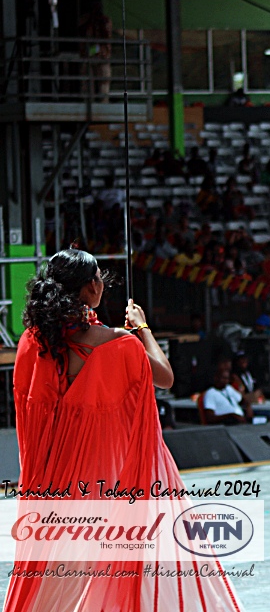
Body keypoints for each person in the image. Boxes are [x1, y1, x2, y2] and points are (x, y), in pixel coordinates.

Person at [5, 249, 243, 611]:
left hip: (53, 482)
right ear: (89, 288)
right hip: (104, 481)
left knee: (56, 579)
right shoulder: (117, 343)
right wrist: (142, 328)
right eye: (98, 277)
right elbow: (164, 377)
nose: (102, 282)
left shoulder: (32, 343)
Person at [203, 357, 252, 425]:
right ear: (216, 378)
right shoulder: (210, 393)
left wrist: (248, 407)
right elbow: (210, 418)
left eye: (227, 379)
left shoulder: (228, 388)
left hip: (241, 421)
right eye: (223, 378)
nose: (225, 381)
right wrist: (231, 415)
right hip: (226, 423)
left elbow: (242, 401)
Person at [79, 2, 112, 102]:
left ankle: (103, 102)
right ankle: (90, 102)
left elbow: (107, 37)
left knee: (103, 82)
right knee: (88, 82)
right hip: (90, 55)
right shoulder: (87, 21)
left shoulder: (105, 21)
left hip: (101, 55)